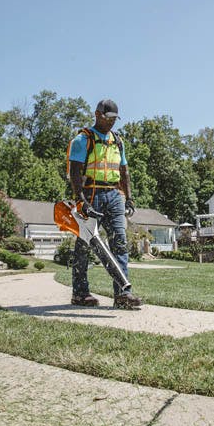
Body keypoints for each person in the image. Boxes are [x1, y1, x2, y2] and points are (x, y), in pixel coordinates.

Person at [67, 99, 142, 309]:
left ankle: (123, 295)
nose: (111, 123)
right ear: (98, 114)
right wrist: (80, 199)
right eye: (108, 118)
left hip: (114, 195)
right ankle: (80, 293)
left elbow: (124, 170)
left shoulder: (118, 141)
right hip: (91, 194)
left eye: (114, 119)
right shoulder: (83, 139)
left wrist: (129, 197)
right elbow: (75, 171)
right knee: (84, 245)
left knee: (119, 243)